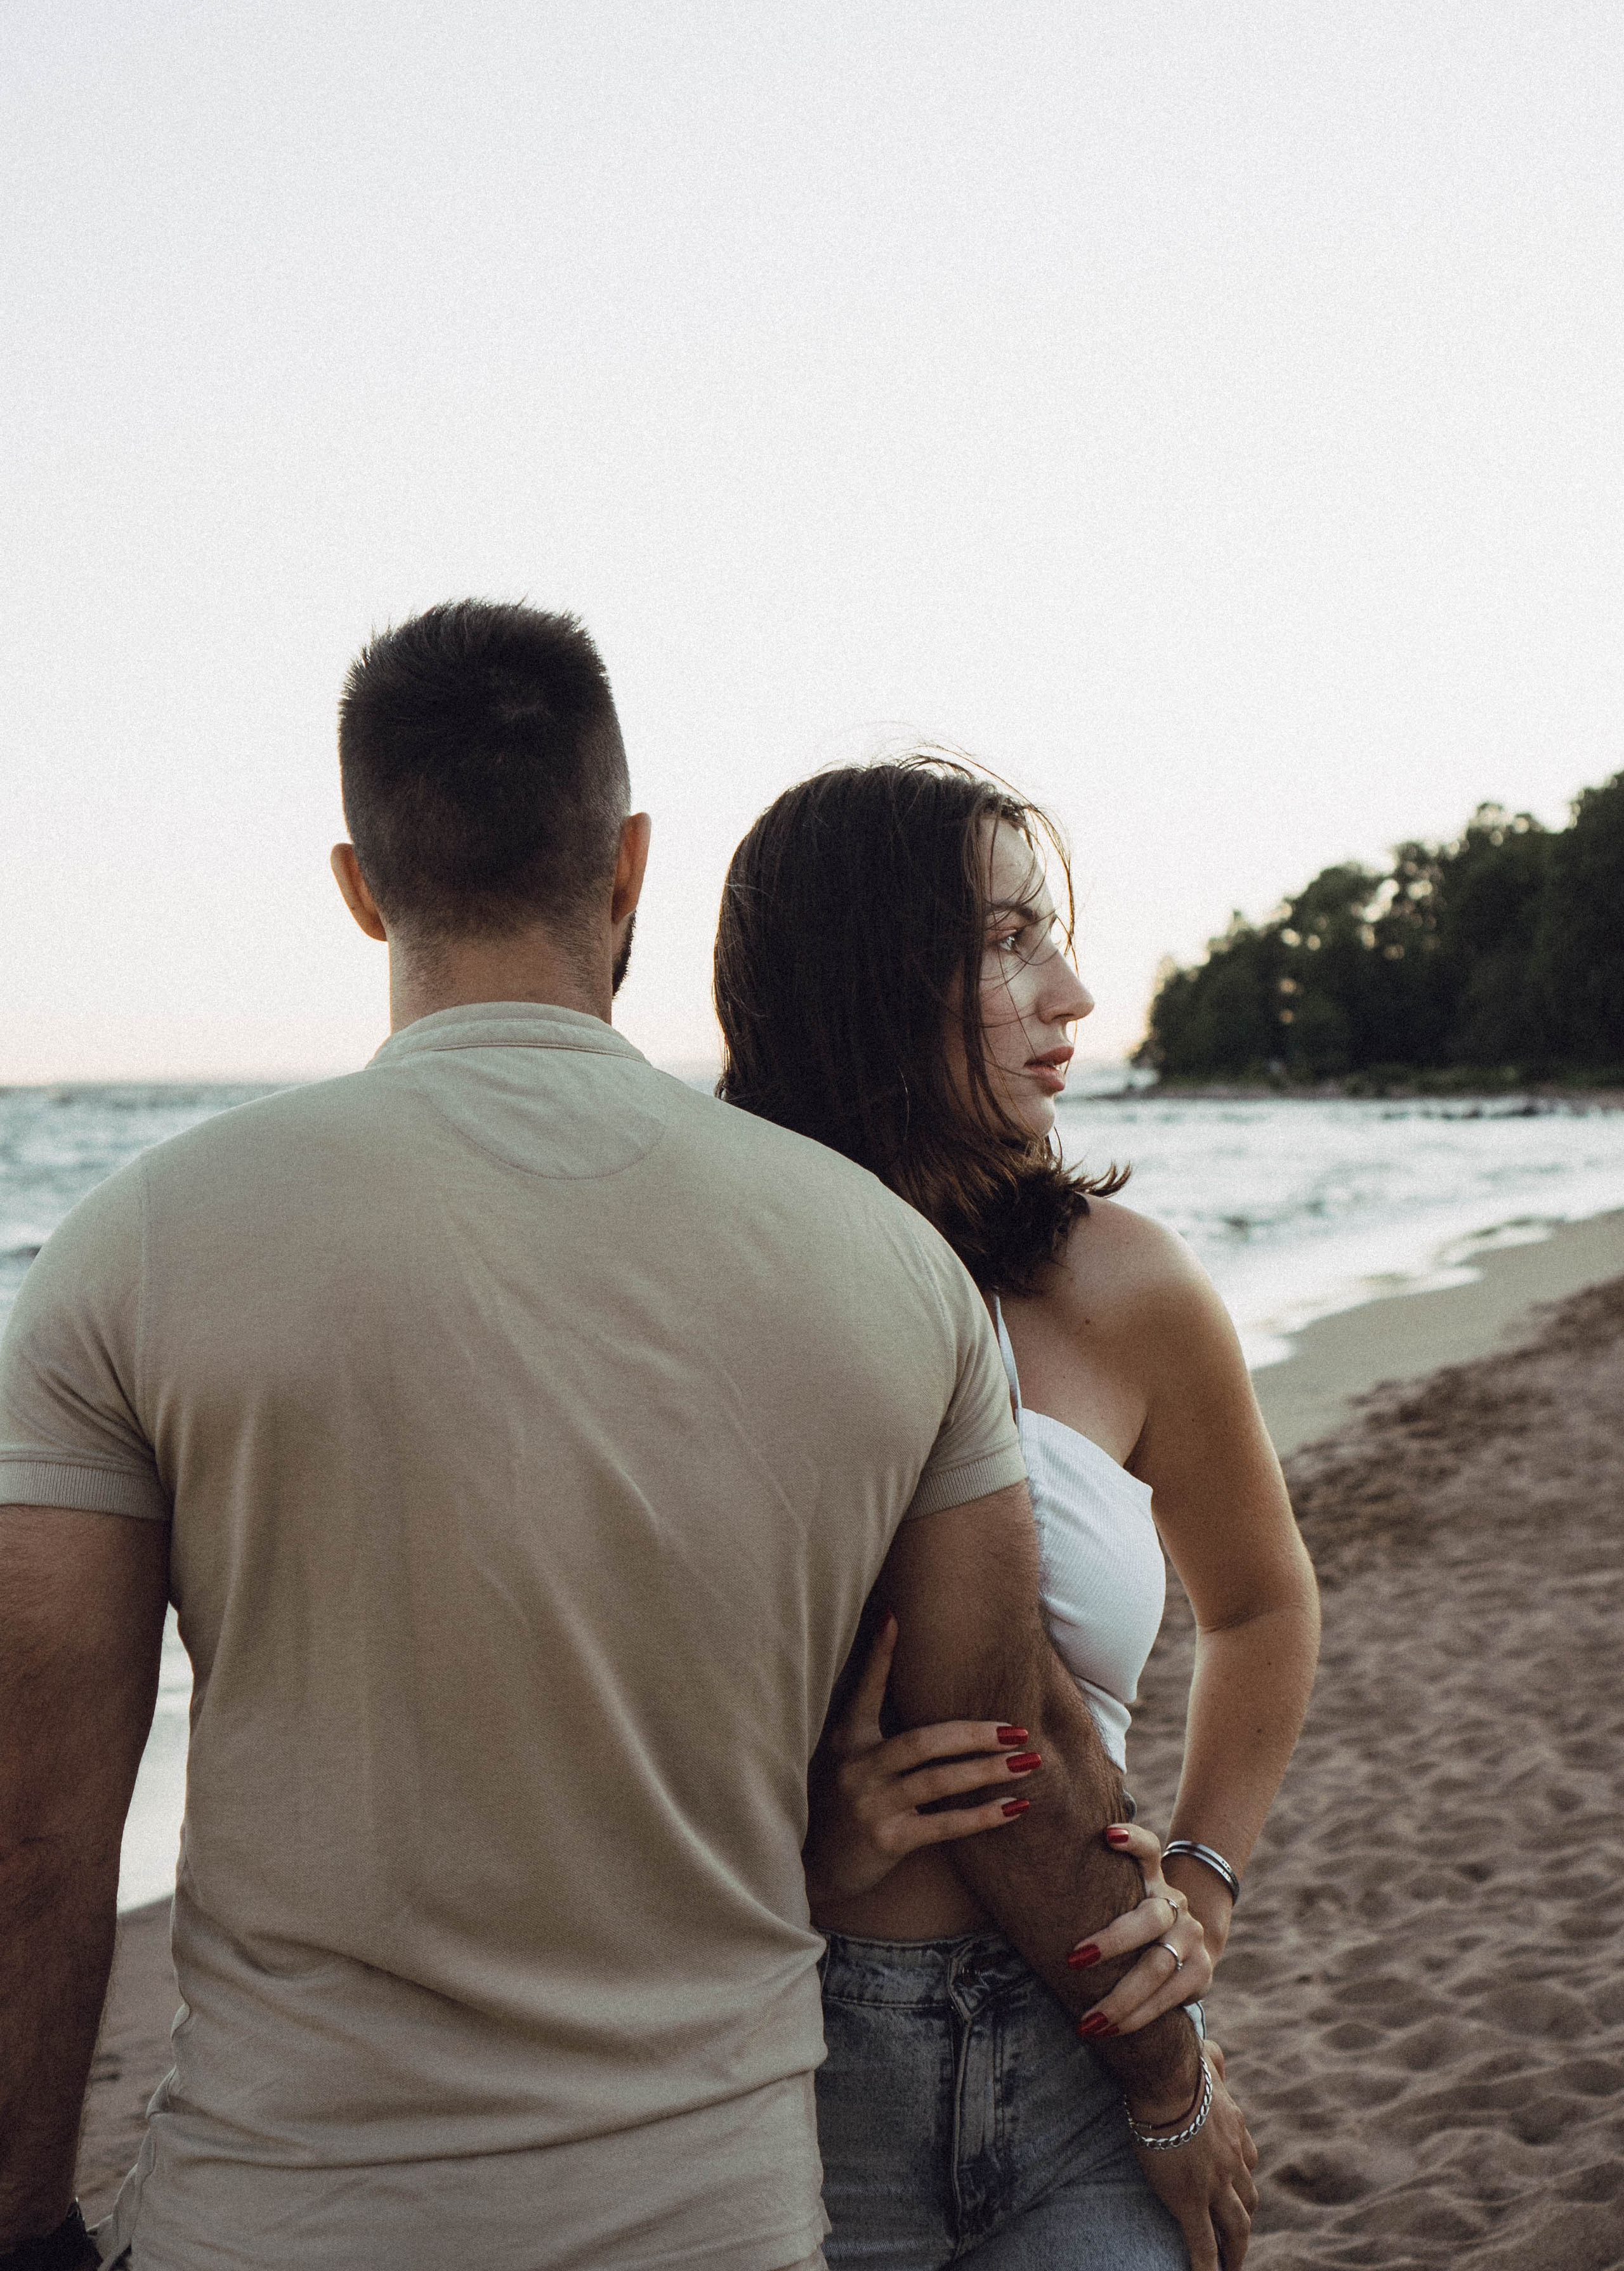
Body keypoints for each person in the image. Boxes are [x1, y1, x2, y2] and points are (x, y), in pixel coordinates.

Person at [0, 611, 1243, 2271]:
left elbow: (35, 1825)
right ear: (632, 866)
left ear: (362, 885)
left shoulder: (136, 1247)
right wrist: (1172, 2078)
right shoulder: (879, 1269)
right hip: (707, 2217)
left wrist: (21, 2225)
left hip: (275, 2214)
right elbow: (1006, 1737)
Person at [714, 757, 1320, 2268]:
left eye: (1045, 934)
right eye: (1001, 943)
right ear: (864, 977)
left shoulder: (1124, 1287)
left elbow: (1260, 1607)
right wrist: (807, 1856)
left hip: (1084, 2043)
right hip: (803, 2063)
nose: (1070, 995)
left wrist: (1204, 1881)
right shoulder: (719, 1306)